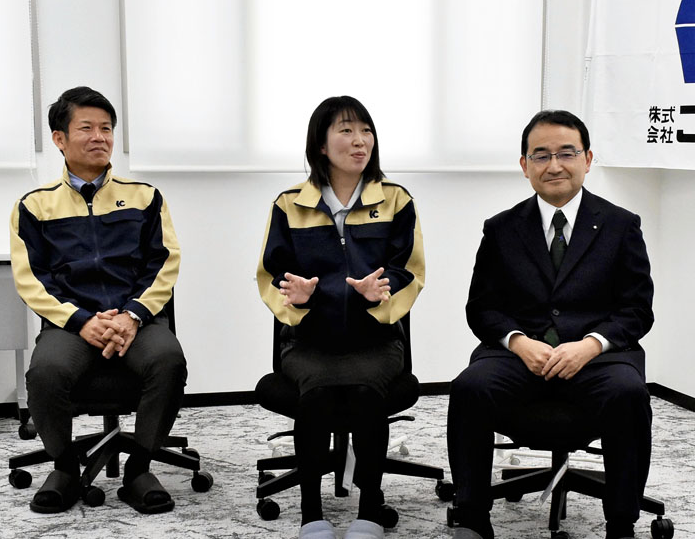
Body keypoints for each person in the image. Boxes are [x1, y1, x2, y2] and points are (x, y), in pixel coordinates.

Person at [447, 110, 654, 539]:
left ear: (587, 159)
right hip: (520, 356)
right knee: (470, 388)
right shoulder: (501, 228)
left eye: (566, 153)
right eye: (541, 155)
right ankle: (471, 517)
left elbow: (637, 309)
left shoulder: (621, 225)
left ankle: (621, 522)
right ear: (525, 165)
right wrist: (519, 342)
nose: (554, 165)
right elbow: (482, 308)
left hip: (597, 358)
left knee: (628, 394)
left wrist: (591, 344)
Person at [9, 86, 186, 514]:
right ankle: (65, 469)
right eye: (86, 128)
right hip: (71, 325)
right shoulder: (35, 206)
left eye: (106, 128)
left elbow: (164, 263)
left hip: (136, 321)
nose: (99, 137)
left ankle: (139, 470)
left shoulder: (145, 196)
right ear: (59, 138)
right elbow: (31, 279)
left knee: (168, 360)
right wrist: (82, 321)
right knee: (46, 372)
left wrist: (132, 315)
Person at [257, 96, 425, 539]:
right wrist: (297, 298)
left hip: (375, 341)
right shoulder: (290, 204)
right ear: (321, 144)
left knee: (366, 393)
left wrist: (377, 293)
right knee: (317, 395)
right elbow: (271, 274)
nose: (359, 140)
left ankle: (369, 508)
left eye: (366, 130)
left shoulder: (395, 200)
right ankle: (311, 512)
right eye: (346, 131)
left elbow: (409, 269)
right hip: (309, 342)